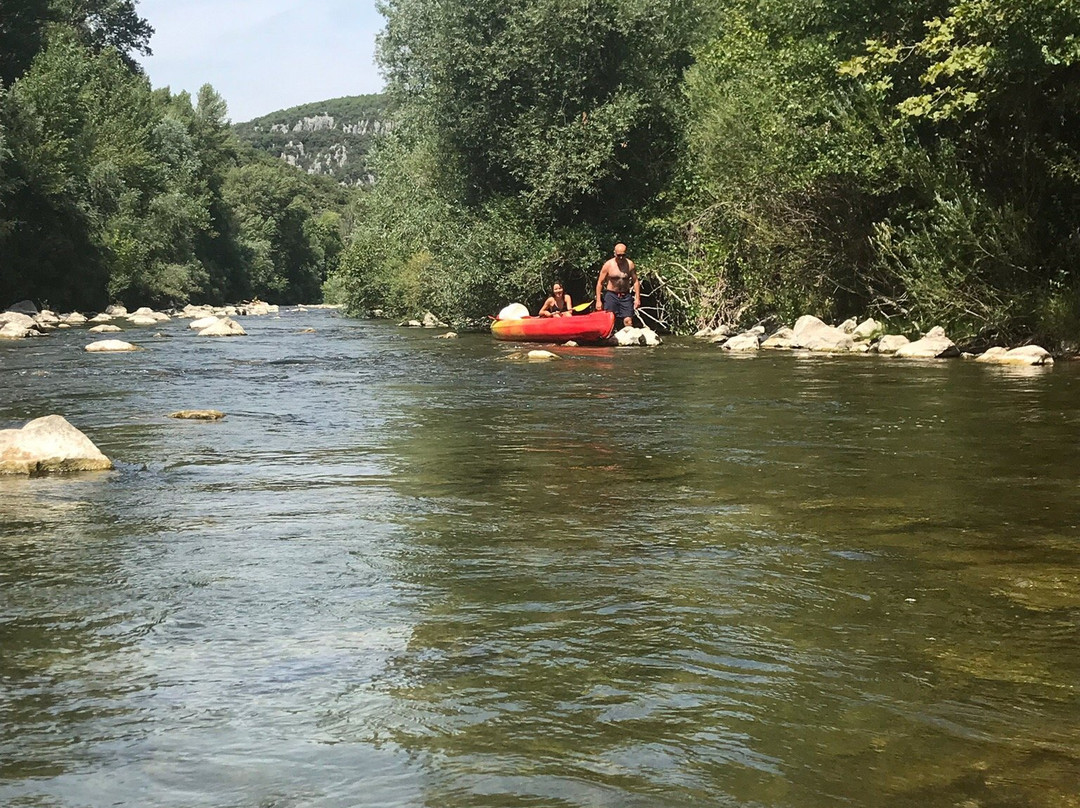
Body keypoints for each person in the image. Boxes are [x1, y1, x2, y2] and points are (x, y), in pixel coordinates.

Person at [595, 243, 639, 328]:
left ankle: (629, 339)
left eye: (623, 255)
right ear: (614, 253)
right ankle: (609, 338)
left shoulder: (630, 264)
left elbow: (636, 281)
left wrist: (637, 298)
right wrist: (598, 300)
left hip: (625, 295)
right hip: (611, 295)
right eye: (619, 255)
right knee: (610, 319)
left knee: (628, 321)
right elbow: (600, 283)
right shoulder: (608, 265)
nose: (621, 257)